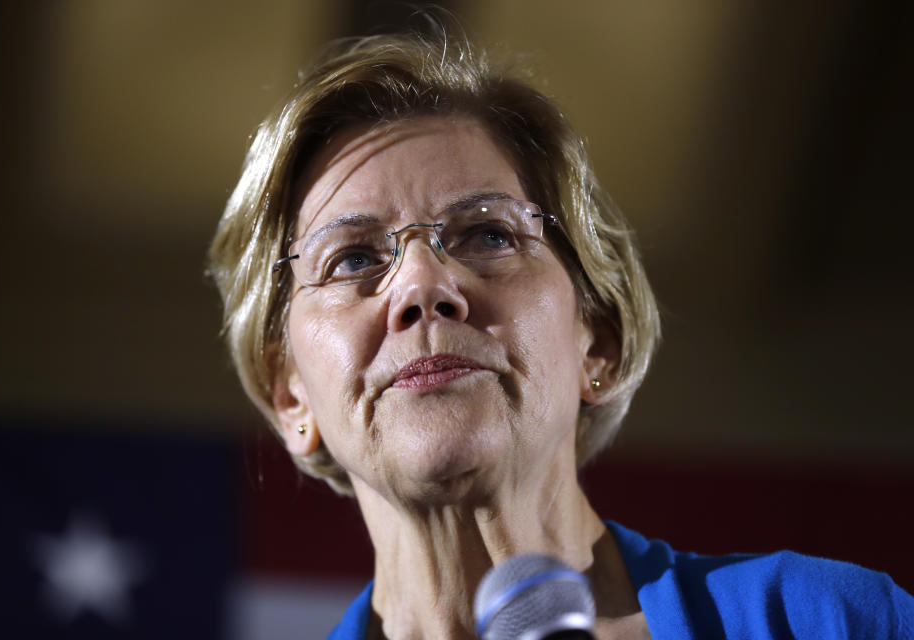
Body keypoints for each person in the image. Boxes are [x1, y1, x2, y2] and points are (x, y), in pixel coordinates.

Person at [208, 30, 913, 639]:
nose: (422, 285)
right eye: (353, 259)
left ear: (597, 340)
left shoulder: (822, 622)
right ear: (291, 397)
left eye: (488, 233)